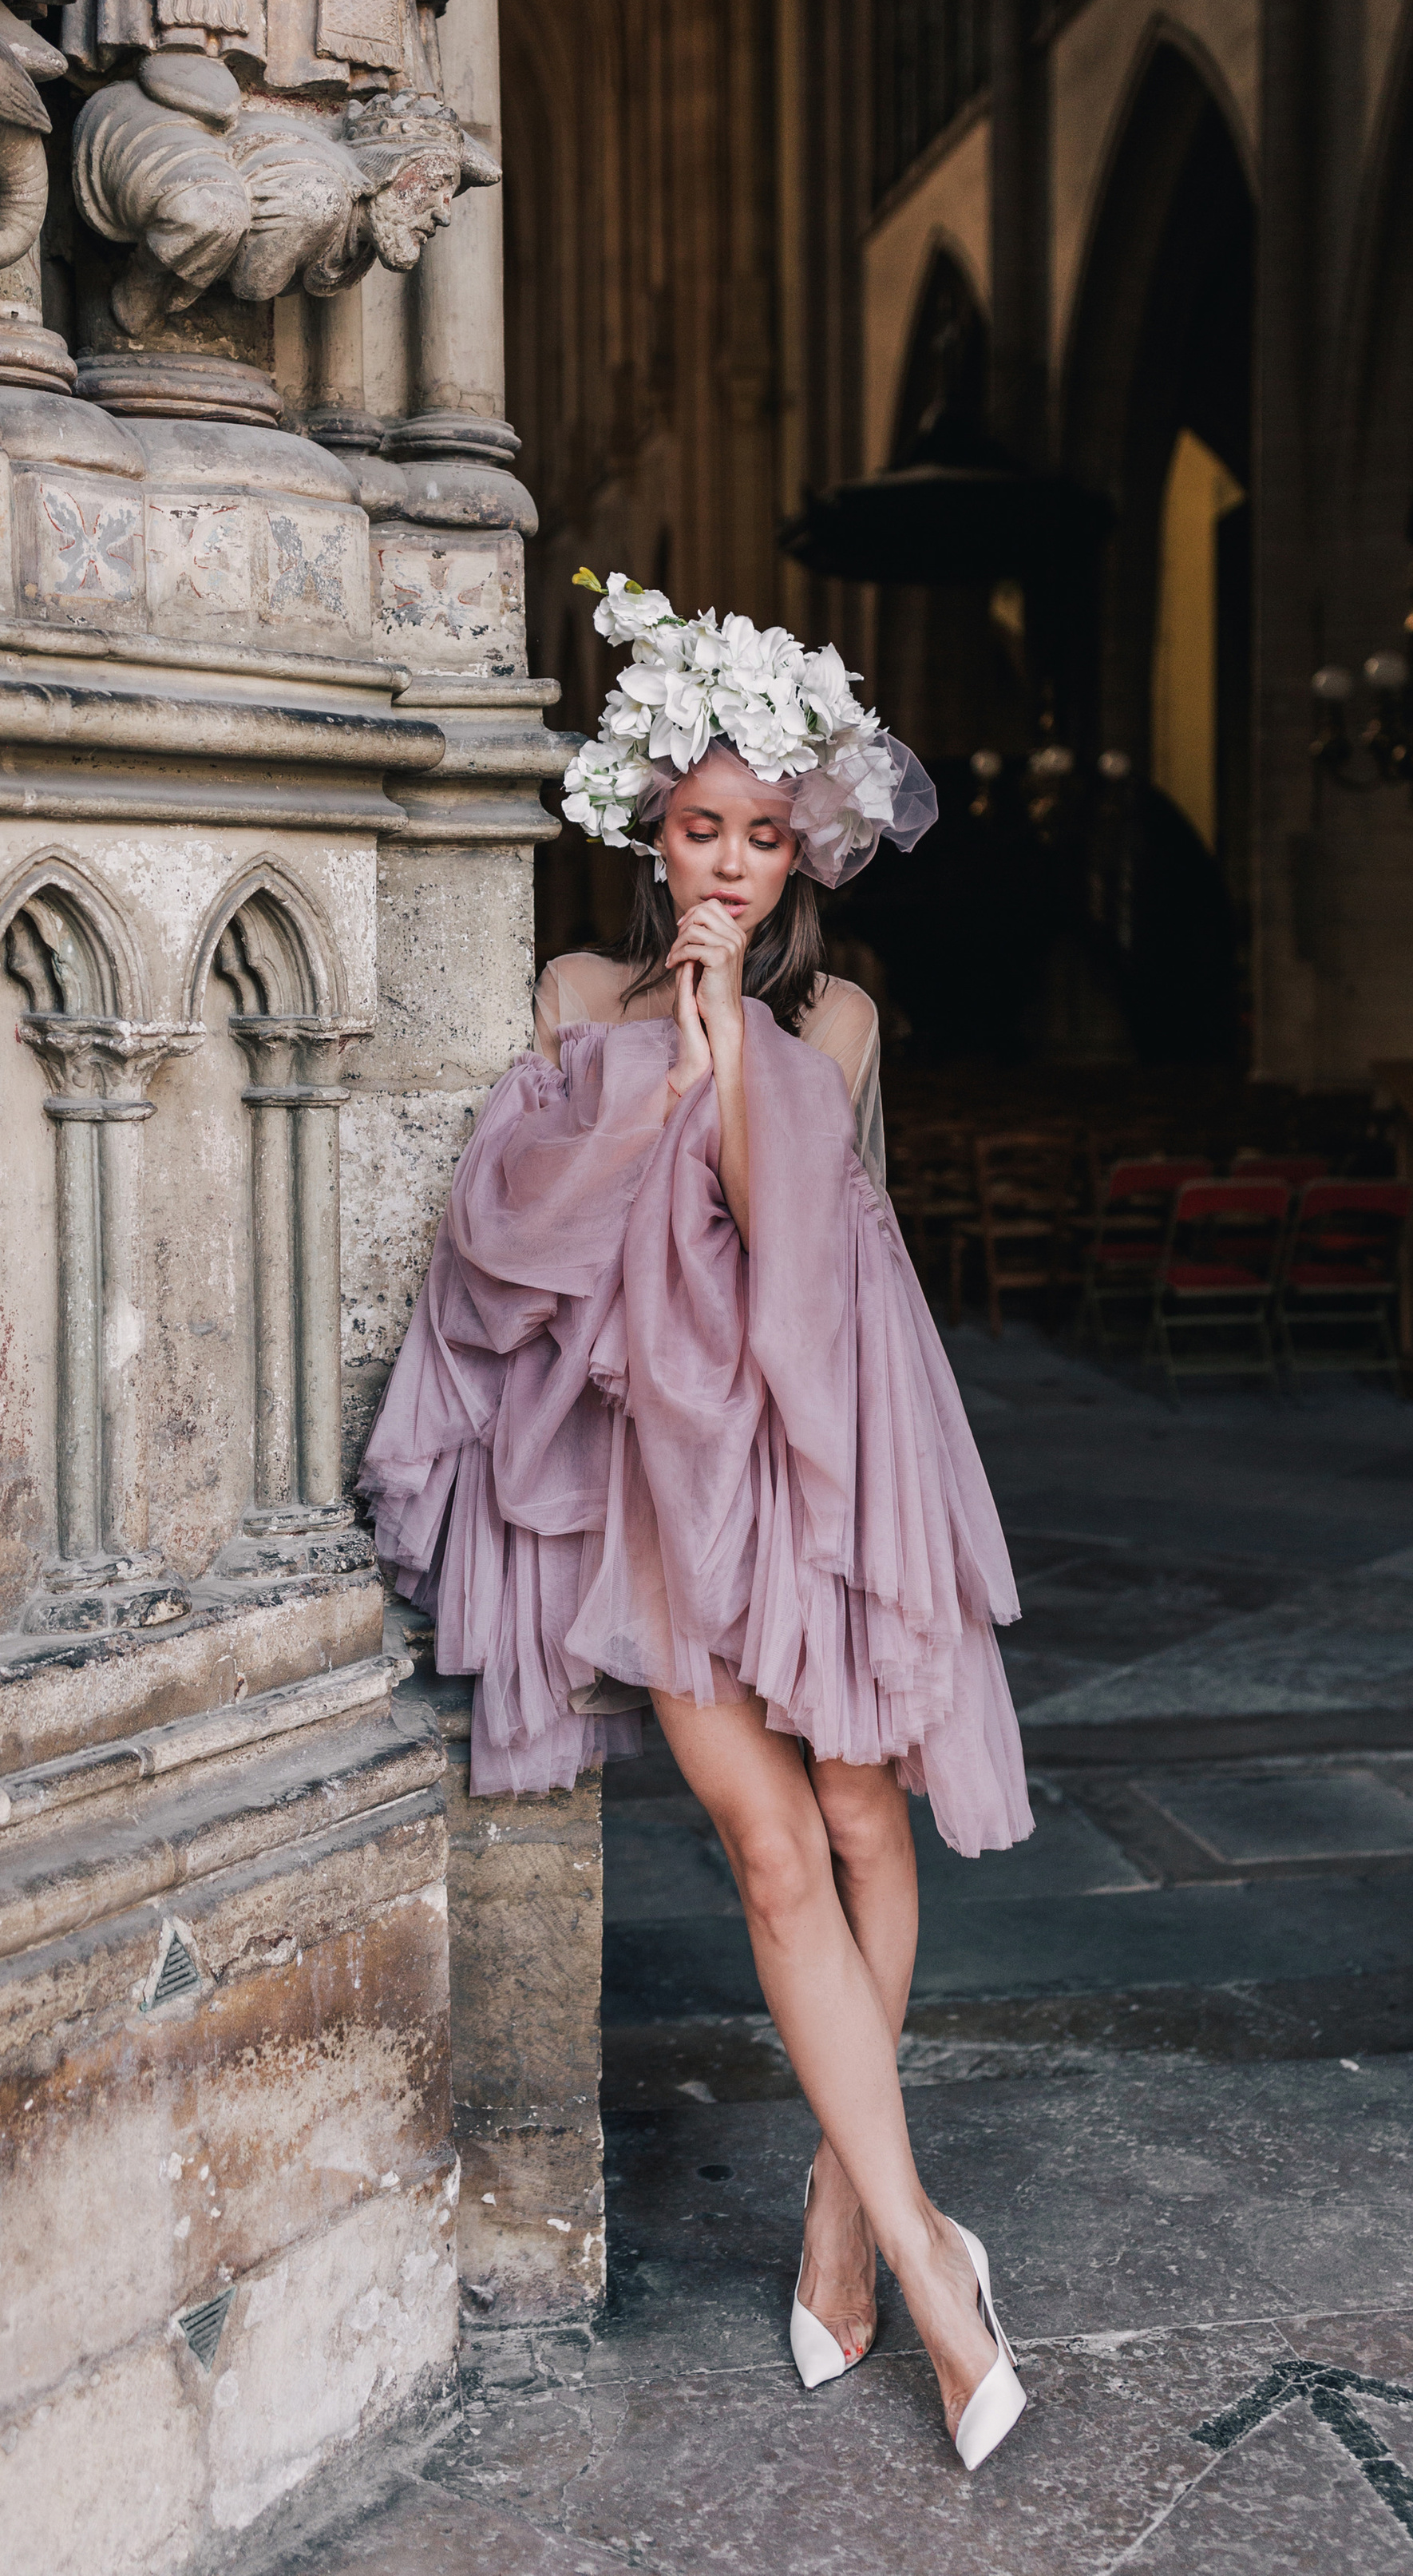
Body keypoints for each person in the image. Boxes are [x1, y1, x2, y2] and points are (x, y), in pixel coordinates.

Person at [360, 573, 1035, 2471]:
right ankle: (921, 2263)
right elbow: (525, 1234)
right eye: (694, 833)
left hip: (818, 1462)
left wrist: (729, 1030)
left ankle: (836, 2199)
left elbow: (794, 1239)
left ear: (799, 846)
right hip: (654, 1491)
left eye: (757, 836)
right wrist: (663, 1023)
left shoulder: (832, 1019)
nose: (723, 866)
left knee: (852, 1810)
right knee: (759, 1850)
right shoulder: (579, 998)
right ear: (647, 834)